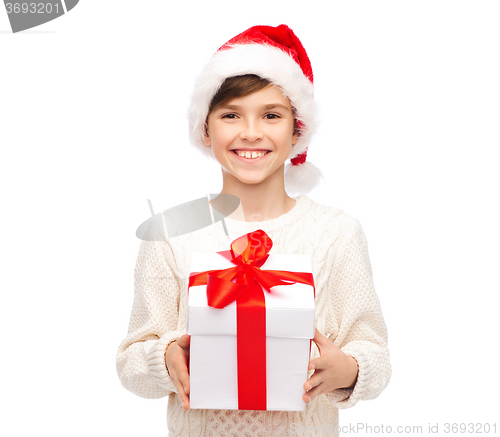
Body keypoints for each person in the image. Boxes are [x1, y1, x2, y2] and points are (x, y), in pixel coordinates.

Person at [116, 24, 391, 436]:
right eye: (230, 115)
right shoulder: (172, 234)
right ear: (205, 129)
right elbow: (131, 363)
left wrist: (348, 370)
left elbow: (375, 354)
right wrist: (165, 357)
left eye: (271, 115)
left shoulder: (336, 232)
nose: (250, 132)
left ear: (297, 130)